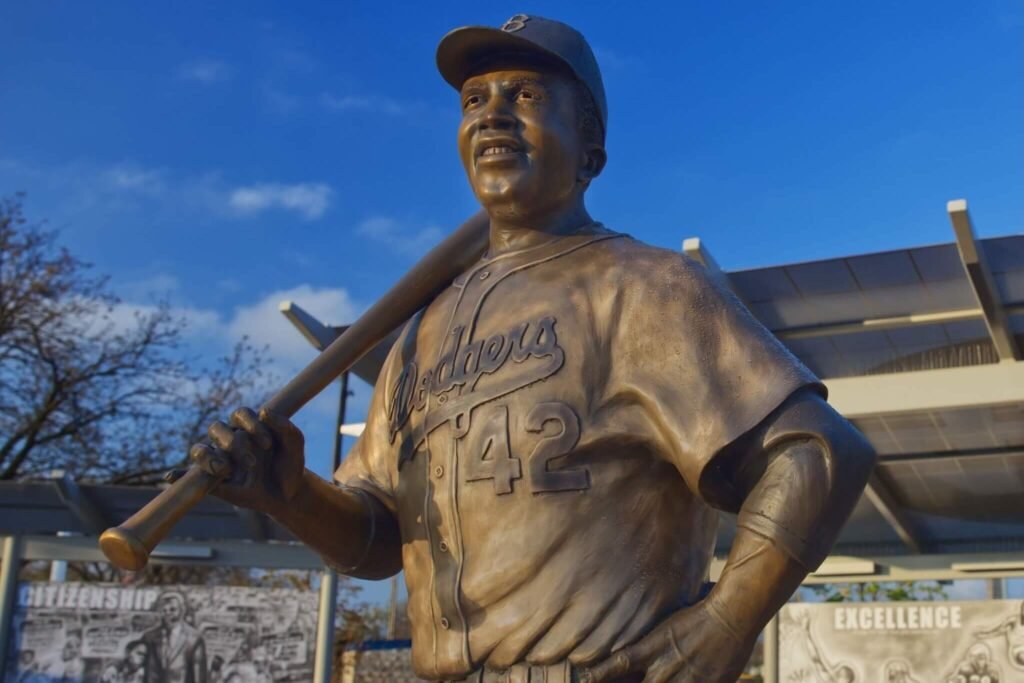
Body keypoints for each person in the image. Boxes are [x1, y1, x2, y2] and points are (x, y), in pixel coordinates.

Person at [180, 13, 875, 682]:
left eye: (529, 96)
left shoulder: (645, 287)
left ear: (590, 145)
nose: (491, 115)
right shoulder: (420, 335)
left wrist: (728, 620)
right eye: (474, 100)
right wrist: (291, 494)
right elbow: (380, 540)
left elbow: (817, 452)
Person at [141, 591, 208, 683]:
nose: (168, 613)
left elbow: (199, 677)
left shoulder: (194, 638)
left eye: (173, 609)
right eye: (164, 610)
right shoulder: (149, 637)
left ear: (182, 610)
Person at [796, 612, 855, 683]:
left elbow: (815, 660)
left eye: (839, 674)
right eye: (838, 673)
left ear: (846, 680)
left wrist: (805, 631)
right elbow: (815, 659)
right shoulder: (828, 677)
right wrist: (806, 631)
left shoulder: (829, 678)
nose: (835, 674)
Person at [975, 600, 1024, 671]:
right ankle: (983, 634)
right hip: (1017, 649)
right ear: (1021, 610)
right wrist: (984, 633)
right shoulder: (1014, 620)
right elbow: (998, 629)